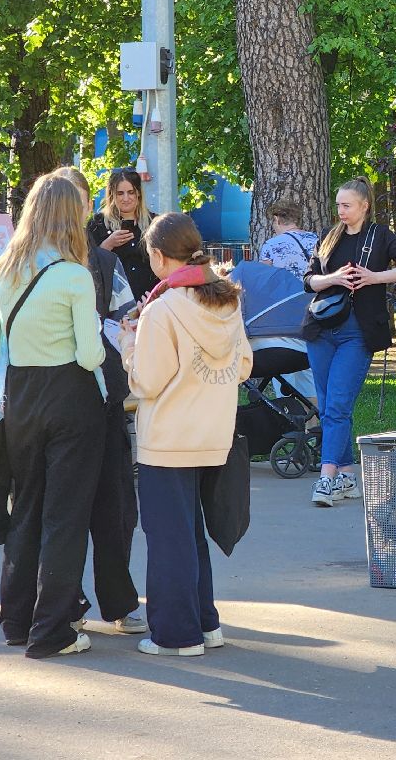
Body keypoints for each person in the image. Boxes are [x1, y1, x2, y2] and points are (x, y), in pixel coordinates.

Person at [0, 174, 105, 658]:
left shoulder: (2, 271)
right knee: (65, 516)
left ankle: (16, 618)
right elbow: (91, 355)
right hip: (71, 397)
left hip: (20, 399)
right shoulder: (74, 276)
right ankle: (53, 628)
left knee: (26, 506)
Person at [121, 213, 252, 656]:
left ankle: (177, 634)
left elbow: (148, 381)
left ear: (158, 257)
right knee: (192, 534)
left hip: (168, 436)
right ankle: (204, 622)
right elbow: (245, 365)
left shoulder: (163, 309)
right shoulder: (227, 302)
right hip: (213, 433)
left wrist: (128, 346)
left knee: (168, 538)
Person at [55, 166, 144, 634]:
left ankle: (112, 600)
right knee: (87, 507)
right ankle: (70, 602)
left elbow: (127, 319)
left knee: (111, 508)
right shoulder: (38, 265)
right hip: (78, 402)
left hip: (89, 400)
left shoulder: (101, 263)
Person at [302, 178, 396, 507]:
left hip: (357, 332)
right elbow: (309, 280)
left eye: (347, 205)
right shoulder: (328, 237)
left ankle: (327, 477)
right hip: (320, 329)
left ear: (364, 206)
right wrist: (332, 279)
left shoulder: (380, 236)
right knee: (330, 403)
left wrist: (375, 278)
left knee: (337, 406)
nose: (341, 211)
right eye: (338, 205)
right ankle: (347, 473)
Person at [87, 167, 157, 301]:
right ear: (111, 195)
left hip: (148, 300)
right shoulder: (97, 224)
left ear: (138, 194)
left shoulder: (154, 223)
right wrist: (107, 245)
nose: (126, 198)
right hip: (111, 302)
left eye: (131, 192)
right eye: (120, 193)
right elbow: (87, 264)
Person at [258, 198, 319, 281]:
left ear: (276, 219)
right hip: (315, 290)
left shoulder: (271, 245)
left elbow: (263, 276)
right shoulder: (316, 239)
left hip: (286, 293)